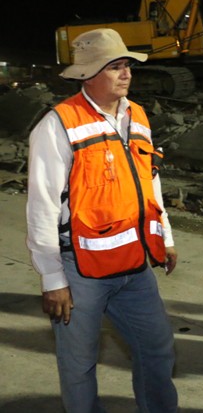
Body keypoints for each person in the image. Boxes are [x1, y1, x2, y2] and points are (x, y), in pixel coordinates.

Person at [26, 28, 179, 412]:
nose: (126, 74)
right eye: (115, 67)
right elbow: (42, 205)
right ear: (88, 75)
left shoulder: (138, 116)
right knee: (78, 366)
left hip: (133, 267)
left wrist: (167, 237)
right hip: (79, 272)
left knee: (158, 348)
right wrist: (52, 279)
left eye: (127, 65)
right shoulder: (58, 124)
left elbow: (150, 183)